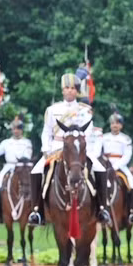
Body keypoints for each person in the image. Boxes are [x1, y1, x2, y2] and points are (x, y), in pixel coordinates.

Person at [27, 72, 111, 226]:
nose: (70, 91)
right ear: (62, 90)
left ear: (77, 91)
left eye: (73, 88)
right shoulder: (52, 110)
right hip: (56, 148)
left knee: (100, 169)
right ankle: (36, 211)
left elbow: (88, 131)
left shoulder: (85, 110)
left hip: (78, 149)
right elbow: (46, 132)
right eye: (67, 88)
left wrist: (84, 150)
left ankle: (101, 209)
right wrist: (46, 149)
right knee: (36, 170)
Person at [0, 114, 33, 223]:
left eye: (18, 129)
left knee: (33, 187)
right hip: (8, 167)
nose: (16, 131)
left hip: (22, 168)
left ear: (22, 130)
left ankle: (34, 213)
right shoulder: (6, 142)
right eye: (14, 129)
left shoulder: (27, 143)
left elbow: (27, 156)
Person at [102, 108, 133, 223]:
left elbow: (127, 156)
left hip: (120, 165)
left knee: (131, 182)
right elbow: (99, 152)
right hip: (105, 164)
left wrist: (115, 166)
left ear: (121, 126)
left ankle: (131, 211)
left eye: (117, 123)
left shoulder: (125, 139)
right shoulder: (104, 137)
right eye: (112, 123)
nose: (114, 126)